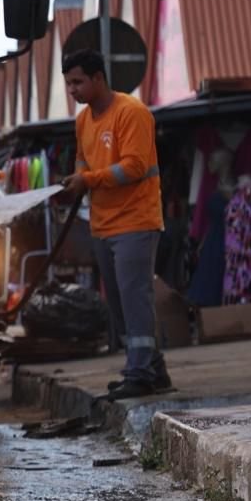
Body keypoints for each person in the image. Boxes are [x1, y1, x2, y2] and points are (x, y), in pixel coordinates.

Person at [60, 49, 171, 400]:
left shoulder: (131, 112)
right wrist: (79, 175)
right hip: (103, 224)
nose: (72, 90)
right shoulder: (83, 120)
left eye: (78, 82)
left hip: (136, 221)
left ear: (98, 78)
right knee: (121, 304)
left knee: (135, 298)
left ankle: (139, 373)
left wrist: (88, 180)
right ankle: (153, 370)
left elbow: (134, 167)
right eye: (68, 84)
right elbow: (82, 158)